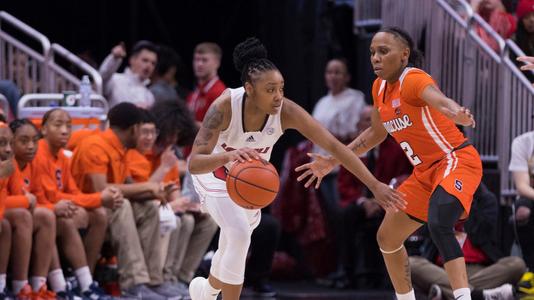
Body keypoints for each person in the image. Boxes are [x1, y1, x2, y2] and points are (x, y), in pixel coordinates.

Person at [187, 37, 403, 300]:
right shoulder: (223, 107)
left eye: (281, 88)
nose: (278, 96)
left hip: (248, 183)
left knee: (233, 245)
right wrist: (226, 158)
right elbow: (195, 162)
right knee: (239, 234)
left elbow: (337, 148)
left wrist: (374, 185)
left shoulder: (287, 111)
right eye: (270, 90)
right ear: (249, 89)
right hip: (213, 177)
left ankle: (206, 291)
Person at [297, 27, 483, 300]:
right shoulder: (379, 88)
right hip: (423, 173)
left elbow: (440, 101)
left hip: (455, 159)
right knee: (387, 237)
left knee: (439, 221)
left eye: (384, 51)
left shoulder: (413, 79)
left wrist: (458, 113)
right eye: (372, 52)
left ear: (404, 55)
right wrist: (333, 161)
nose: (376, 58)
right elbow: (374, 134)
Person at [70, 103, 175, 299]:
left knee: (149, 207)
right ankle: (133, 284)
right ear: (135, 128)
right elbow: (102, 190)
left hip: (105, 206)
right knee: (122, 204)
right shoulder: (96, 145)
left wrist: (155, 192)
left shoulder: (121, 148)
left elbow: (129, 186)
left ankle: (153, 280)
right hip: (87, 207)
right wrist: (147, 187)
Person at [411, 182, 524, 300]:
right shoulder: (437, 199)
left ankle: (445, 291)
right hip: (442, 269)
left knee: (517, 264)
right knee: (410, 263)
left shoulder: (486, 200)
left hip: (480, 270)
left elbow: (481, 234)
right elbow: (424, 231)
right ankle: (479, 295)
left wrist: (465, 202)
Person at [99, 41, 158, 108]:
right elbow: (101, 79)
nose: (149, 65)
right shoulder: (115, 80)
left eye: (153, 63)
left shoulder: (150, 97)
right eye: (145, 60)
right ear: (132, 60)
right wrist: (114, 59)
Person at [187, 42, 227, 123]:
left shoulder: (219, 93)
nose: (199, 64)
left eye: (204, 60)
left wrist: (187, 125)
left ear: (217, 63)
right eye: (196, 59)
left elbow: (219, 129)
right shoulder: (195, 92)